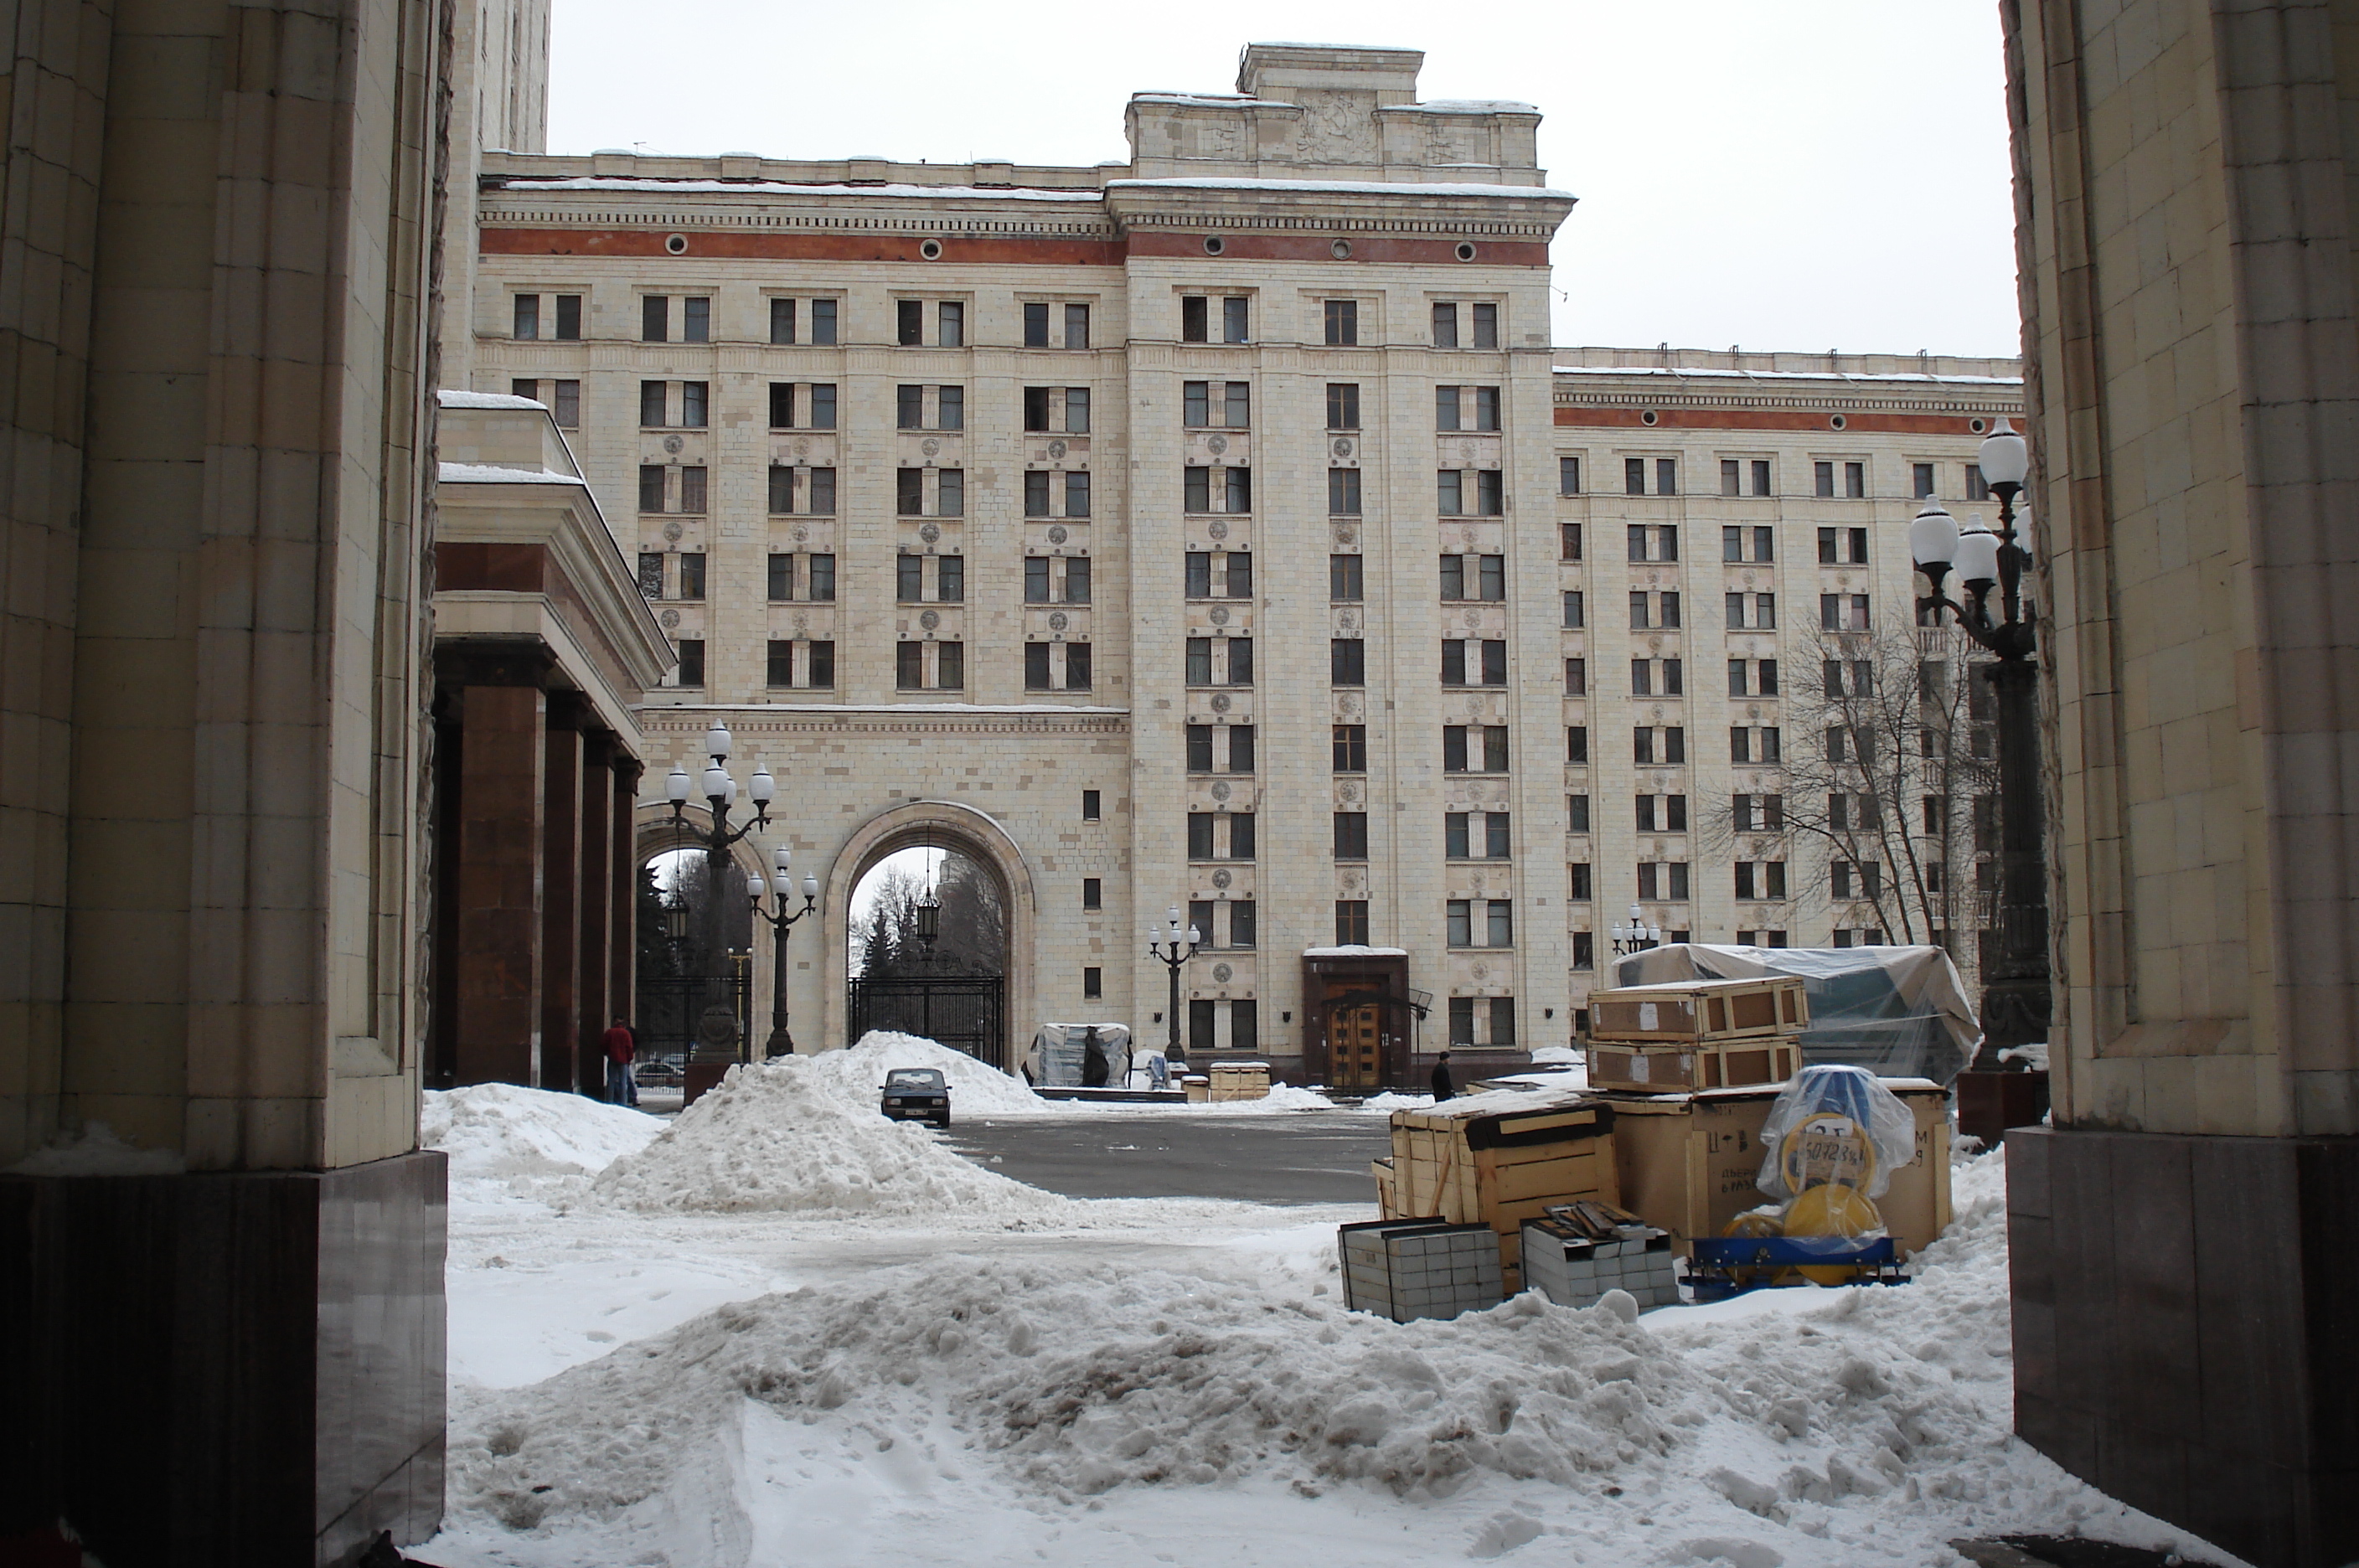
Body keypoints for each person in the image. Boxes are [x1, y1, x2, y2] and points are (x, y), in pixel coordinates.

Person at [602, 1016, 639, 1106]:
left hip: (612, 1059)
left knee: (611, 1081)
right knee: (624, 1082)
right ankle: (623, 1102)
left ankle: (610, 1101)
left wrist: (607, 1053)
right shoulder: (626, 1033)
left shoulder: (609, 1032)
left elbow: (603, 1045)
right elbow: (629, 1047)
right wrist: (629, 1059)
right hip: (623, 1060)